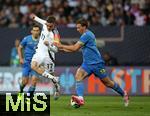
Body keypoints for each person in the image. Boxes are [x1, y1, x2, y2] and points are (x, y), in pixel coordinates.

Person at [56, 18, 129, 107]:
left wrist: (61, 45)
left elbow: (75, 48)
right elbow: (74, 49)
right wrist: (61, 49)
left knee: (108, 83)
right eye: (77, 27)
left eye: (79, 27)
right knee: (78, 76)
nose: (77, 29)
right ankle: (80, 99)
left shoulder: (87, 35)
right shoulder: (85, 35)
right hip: (87, 64)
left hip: (97, 64)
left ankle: (123, 93)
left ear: (84, 27)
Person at [30, 14, 60, 100]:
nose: (48, 27)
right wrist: (33, 17)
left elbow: (56, 50)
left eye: (50, 26)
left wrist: (49, 46)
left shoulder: (55, 34)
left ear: (54, 25)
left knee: (51, 74)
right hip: (39, 52)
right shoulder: (45, 24)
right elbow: (37, 18)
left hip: (49, 56)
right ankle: (54, 78)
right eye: (47, 25)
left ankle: (57, 89)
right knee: (33, 66)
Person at [17, 24, 40, 102]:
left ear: (39, 31)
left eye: (37, 30)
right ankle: (20, 92)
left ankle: (28, 98)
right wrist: (20, 58)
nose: (36, 32)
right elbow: (19, 48)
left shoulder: (42, 40)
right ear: (31, 31)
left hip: (36, 64)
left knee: (34, 80)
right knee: (24, 82)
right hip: (27, 63)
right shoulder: (26, 39)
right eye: (34, 30)